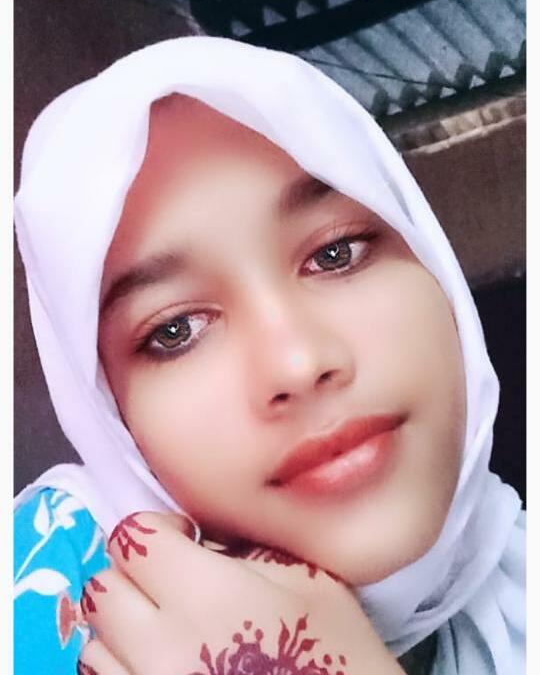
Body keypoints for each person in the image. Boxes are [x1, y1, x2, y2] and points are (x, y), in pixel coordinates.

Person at [14, 36, 525, 675]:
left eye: (336, 253)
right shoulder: (41, 606)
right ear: (108, 414)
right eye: (175, 330)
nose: (297, 364)